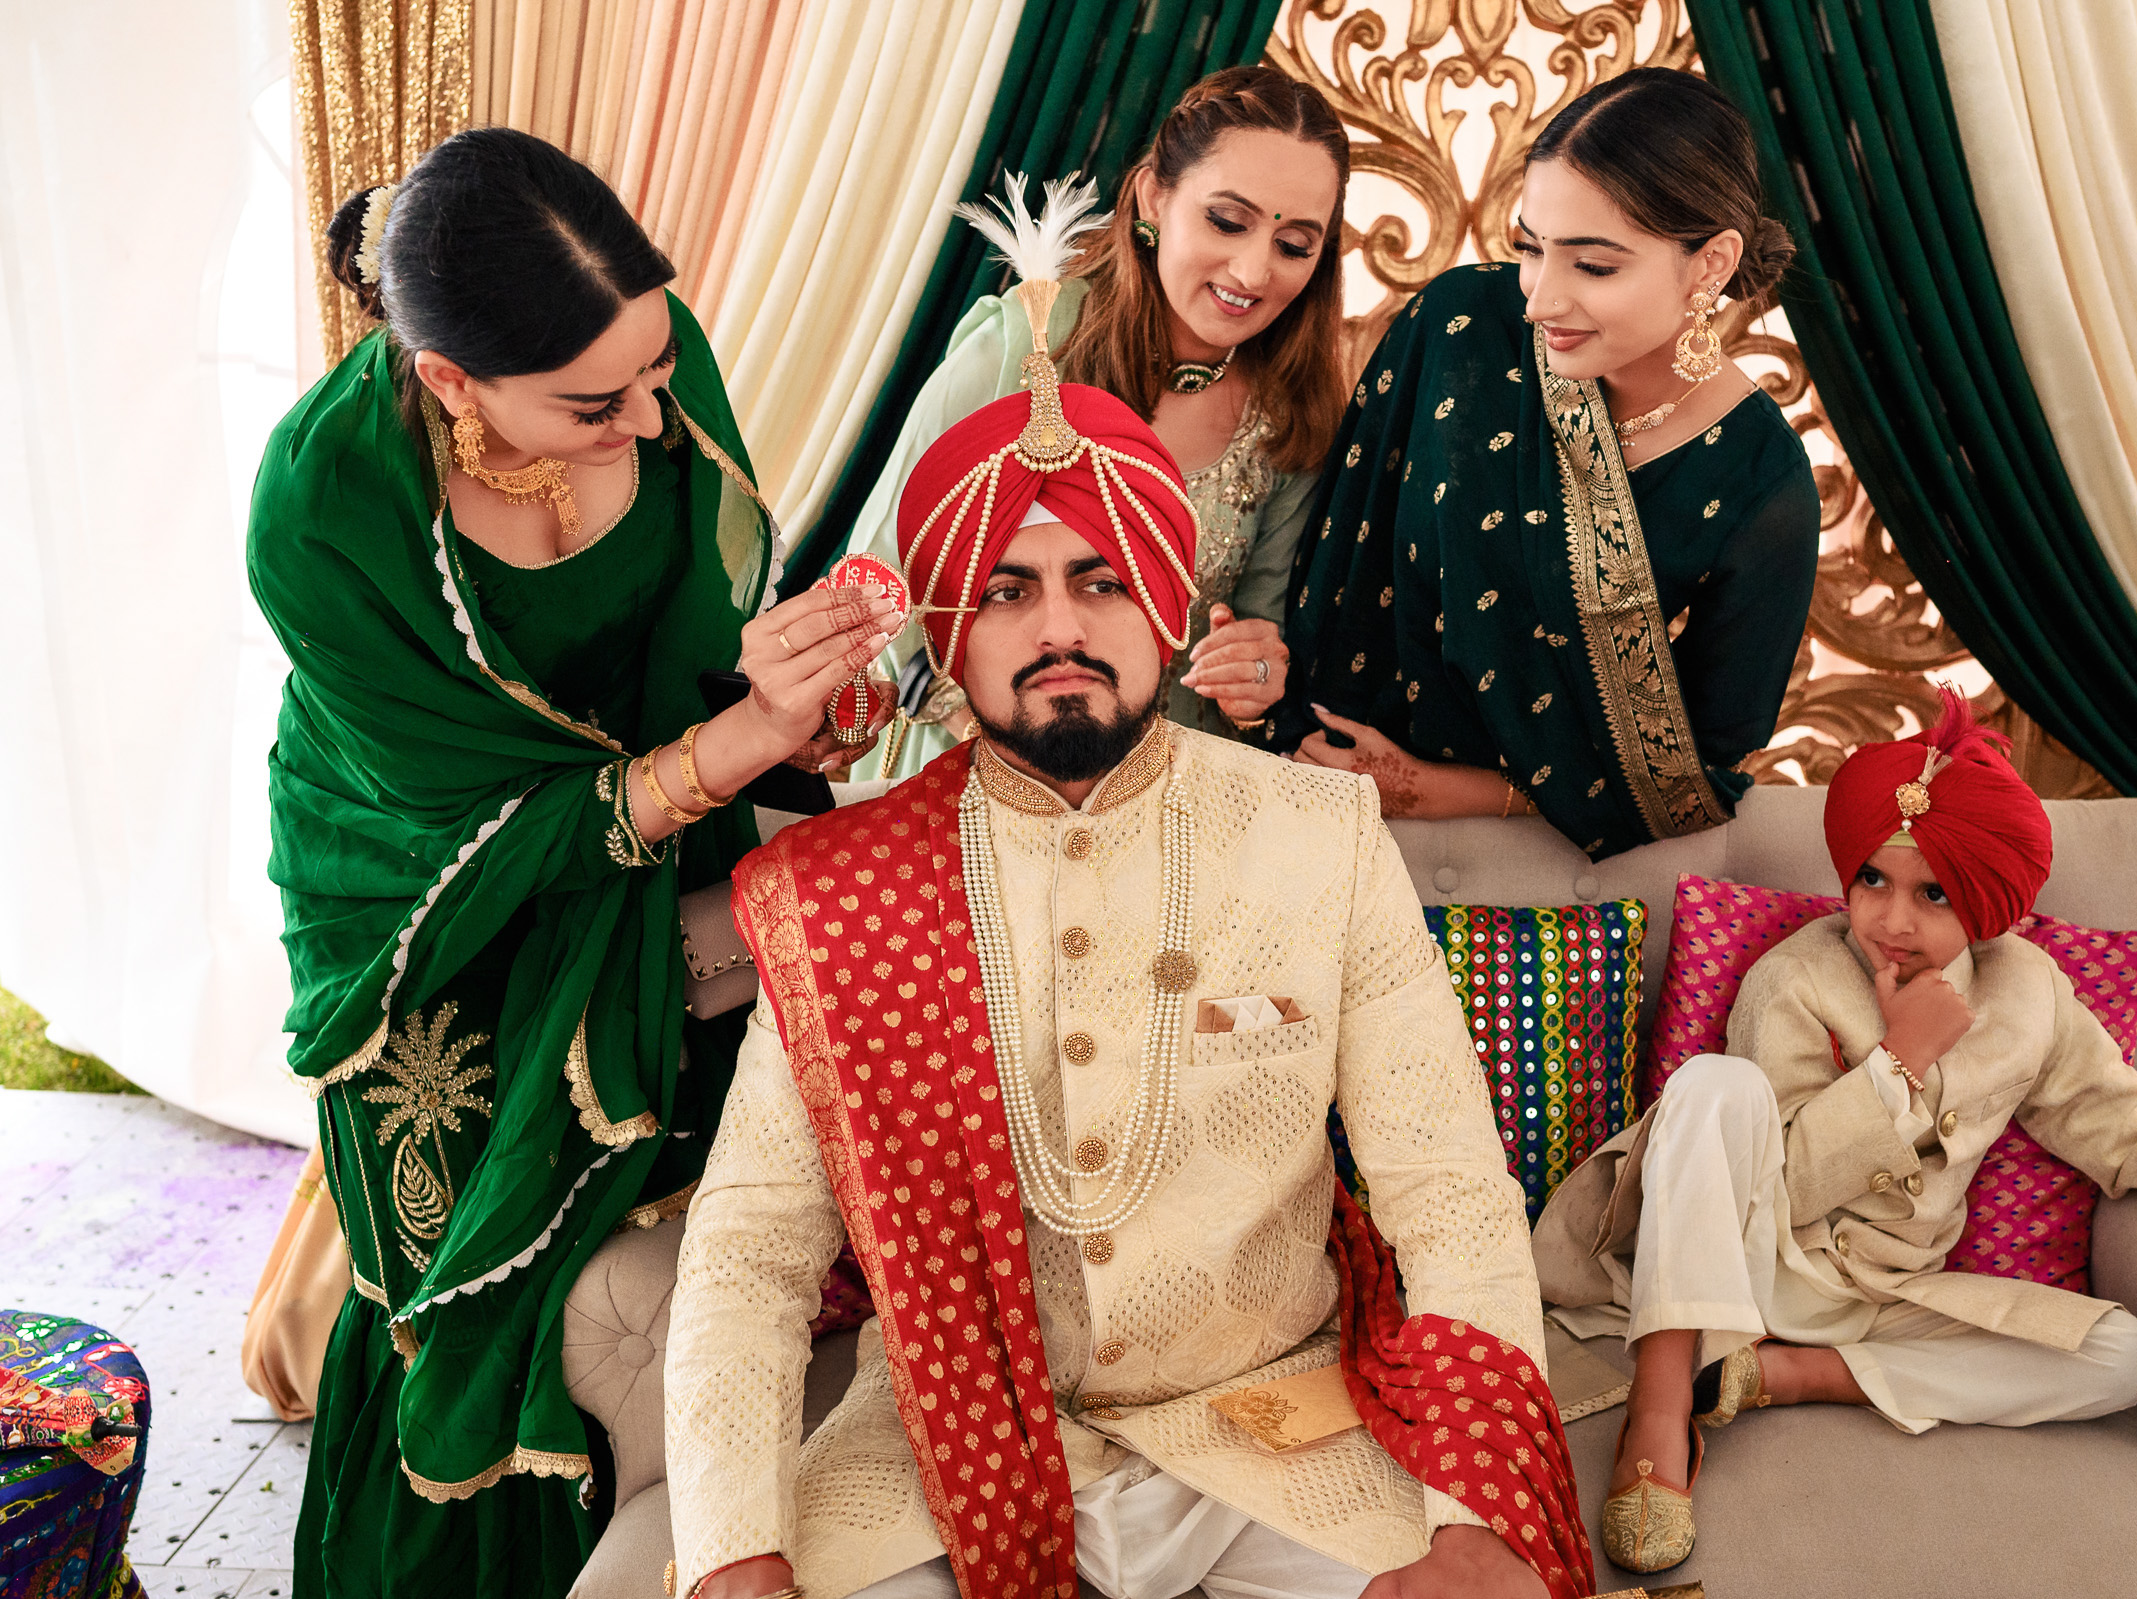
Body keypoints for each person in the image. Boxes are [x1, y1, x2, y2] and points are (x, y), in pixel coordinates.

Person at [662, 209, 1590, 1599]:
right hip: (943, 1451)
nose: (1059, 629)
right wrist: (733, 1551)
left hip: (1277, 1427)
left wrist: (1476, 1518)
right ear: (946, 638)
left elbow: (1447, 1192)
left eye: (1100, 581)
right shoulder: (844, 894)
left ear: (1165, 605)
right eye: (1006, 592)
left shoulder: (1317, 834)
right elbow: (749, 1255)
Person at [249, 127, 900, 1598]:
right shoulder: (325, 507)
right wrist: (735, 747)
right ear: (450, 380)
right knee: (469, 1285)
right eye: (597, 404)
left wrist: (794, 709)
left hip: (665, 818)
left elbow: (699, 624)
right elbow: (477, 817)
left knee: (696, 1188)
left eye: (660, 371)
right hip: (428, 889)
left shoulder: (640, 358)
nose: (651, 417)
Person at [1529, 692, 2137, 1573]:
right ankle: (1661, 1412)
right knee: (1713, 1084)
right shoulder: (1796, 977)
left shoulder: (2027, 992)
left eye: (1931, 892)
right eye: (1872, 880)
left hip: (1884, 1301)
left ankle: (1782, 1375)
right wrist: (1899, 1062)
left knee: (2120, 1355)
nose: (1893, 920)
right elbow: (1788, 1184)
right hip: (1747, 1261)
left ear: (1982, 900)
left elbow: (2130, 1128)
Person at [1274, 67, 1819, 859]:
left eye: (1593, 266)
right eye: (1531, 248)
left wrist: (1440, 792)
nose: (1539, 300)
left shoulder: (1762, 485)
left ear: (1710, 264)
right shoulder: (1462, 327)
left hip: (1524, 859)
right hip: (1305, 794)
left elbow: (1697, 775)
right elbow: (1330, 568)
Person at [843, 63, 1351, 774]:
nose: (1252, 271)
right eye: (1226, 221)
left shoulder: (1289, 407)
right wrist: (1000, 740)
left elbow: (1263, 630)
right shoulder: (1024, 346)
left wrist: (1259, 676)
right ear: (1153, 198)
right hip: (984, 772)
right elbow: (873, 585)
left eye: (1294, 245)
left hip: (1176, 793)